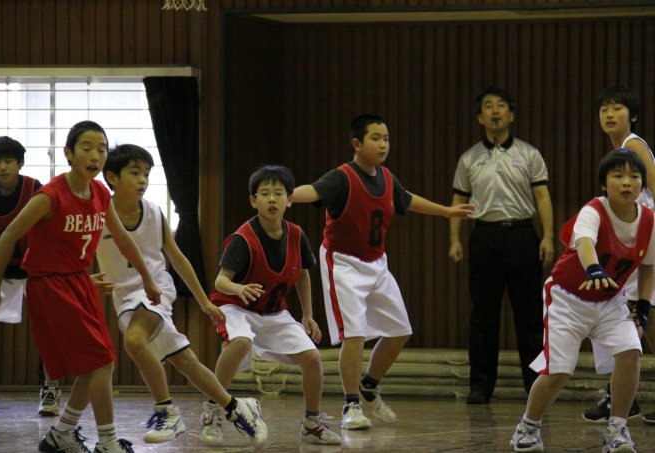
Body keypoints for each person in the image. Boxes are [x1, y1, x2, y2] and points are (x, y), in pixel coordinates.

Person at [0, 121, 161, 453]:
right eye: (87, 148)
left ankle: (62, 432)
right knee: (99, 362)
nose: (95, 156)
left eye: (101, 150)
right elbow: (8, 236)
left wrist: (148, 278)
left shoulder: (100, 193)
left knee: (100, 363)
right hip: (50, 285)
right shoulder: (49, 196)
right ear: (69, 153)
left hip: (79, 282)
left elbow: (122, 238)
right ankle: (107, 441)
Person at [291, 114, 474, 429]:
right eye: (376, 138)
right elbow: (315, 190)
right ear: (357, 144)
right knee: (355, 335)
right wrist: (287, 195)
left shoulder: (388, 178)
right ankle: (351, 405)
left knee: (400, 331)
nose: (383, 144)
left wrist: (446, 211)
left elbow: (408, 200)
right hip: (344, 263)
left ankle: (369, 385)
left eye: (386, 138)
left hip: (377, 263)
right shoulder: (342, 177)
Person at [95, 144, 268, 447]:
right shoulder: (96, 215)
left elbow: (177, 258)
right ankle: (237, 407)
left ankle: (167, 411)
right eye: (135, 173)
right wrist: (85, 280)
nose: (142, 180)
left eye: (146, 173)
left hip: (155, 290)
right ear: (112, 177)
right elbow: (78, 253)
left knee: (134, 340)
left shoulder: (154, 213)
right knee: (185, 361)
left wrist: (204, 301)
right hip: (124, 297)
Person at [510, 148, 652, 453]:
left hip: (611, 300)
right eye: (618, 175)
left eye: (634, 176)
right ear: (604, 184)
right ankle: (528, 426)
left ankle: (617, 430)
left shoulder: (649, 220)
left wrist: (643, 304)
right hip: (567, 298)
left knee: (630, 352)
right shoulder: (593, 210)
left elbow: (649, 265)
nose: (627, 182)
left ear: (642, 184)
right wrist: (593, 268)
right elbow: (585, 242)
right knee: (559, 371)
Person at [203, 165, 340, 445]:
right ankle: (213, 409)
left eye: (279, 193)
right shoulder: (243, 238)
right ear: (254, 201)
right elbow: (220, 281)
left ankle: (311, 423)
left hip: (273, 311)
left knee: (312, 359)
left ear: (290, 200)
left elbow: (303, 275)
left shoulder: (296, 235)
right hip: (234, 306)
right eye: (265, 193)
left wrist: (308, 315)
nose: (272, 199)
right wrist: (239, 288)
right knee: (240, 342)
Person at [449, 87, 555, 404]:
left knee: (530, 314)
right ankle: (481, 386)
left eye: (501, 106)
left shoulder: (529, 154)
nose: (495, 111)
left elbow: (542, 196)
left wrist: (548, 235)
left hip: (522, 236)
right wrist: (454, 239)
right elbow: (458, 200)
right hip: (484, 237)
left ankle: (535, 384)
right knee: (483, 315)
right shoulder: (468, 158)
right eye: (488, 106)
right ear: (480, 118)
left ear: (511, 114)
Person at [582, 86, 655, 424]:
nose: (609, 114)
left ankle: (619, 396)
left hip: (644, 239)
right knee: (625, 315)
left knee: (640, 315)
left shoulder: (633, 145)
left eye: (617, 108)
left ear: (634, 115)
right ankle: (620, 396)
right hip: (632, 240)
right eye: (604, 109)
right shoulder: (618, 150)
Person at [0, 136, 62, 417]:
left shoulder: (35, 189)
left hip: (37, 265)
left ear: (20, 163)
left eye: (8, 161)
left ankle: (51, 388)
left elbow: (54, 226)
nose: (2, 167)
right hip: (0, 267)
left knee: (49, 326)